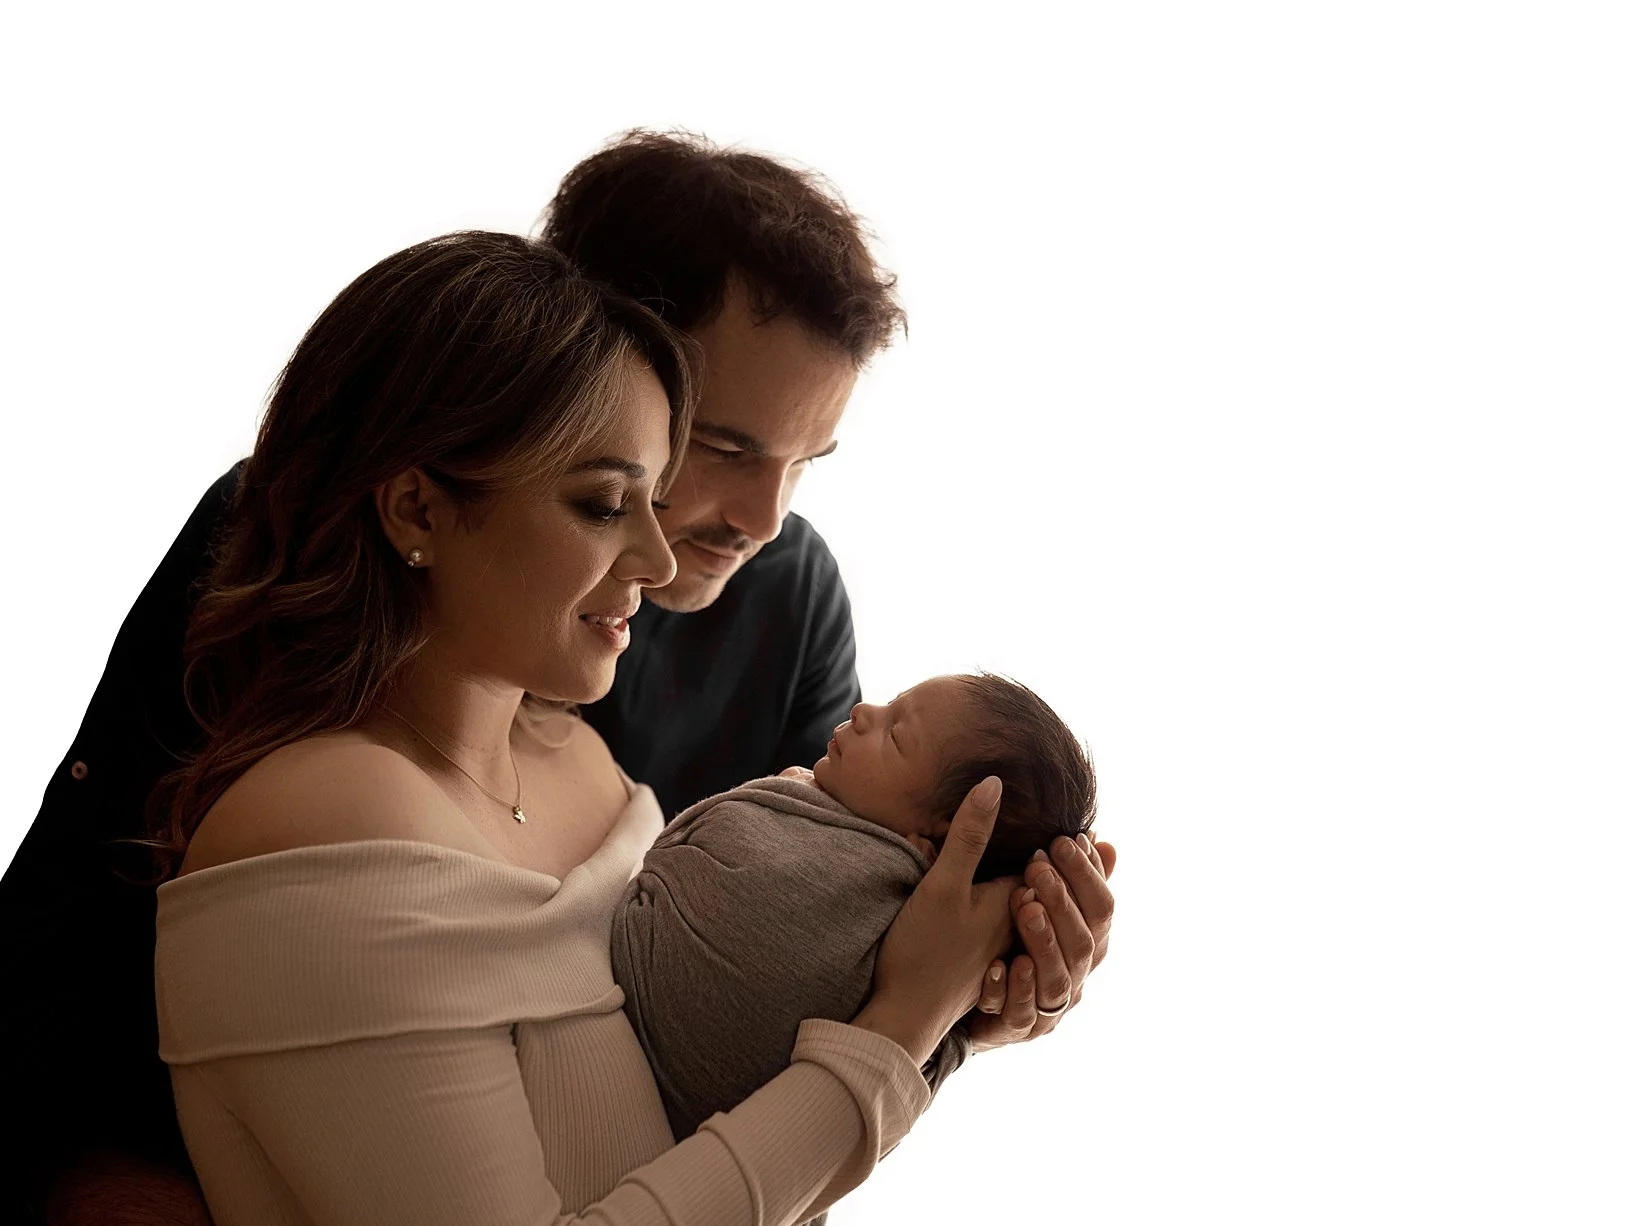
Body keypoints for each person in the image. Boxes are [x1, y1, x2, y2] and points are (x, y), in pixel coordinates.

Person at [2, 130, 1114, 1223]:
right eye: (723, 446)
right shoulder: (296, 567)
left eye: (806, 463)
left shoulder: (782, 598)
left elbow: (837, 958)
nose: (763, 520)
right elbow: (96, 940)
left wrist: (985, 986)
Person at [613, 671, 1112, 1146]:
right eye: (889, 705)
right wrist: (952, 1036)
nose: (862, 710)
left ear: (935, 845)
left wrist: (961, 1024)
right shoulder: (835, 812)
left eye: (896, 735)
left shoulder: (870, 896)